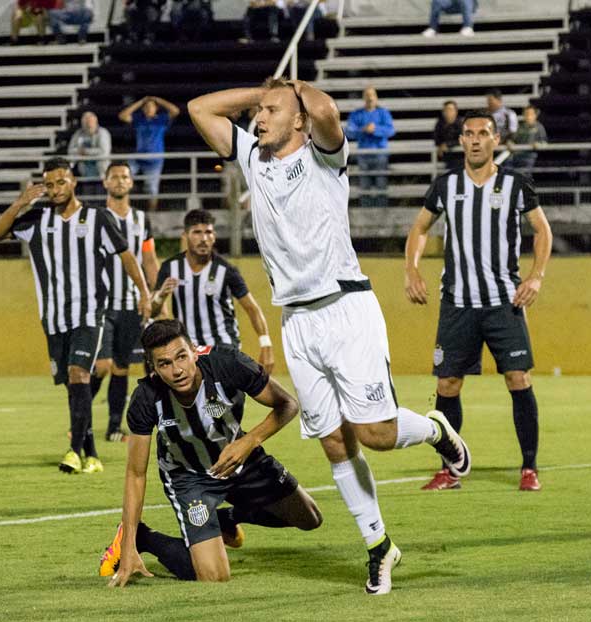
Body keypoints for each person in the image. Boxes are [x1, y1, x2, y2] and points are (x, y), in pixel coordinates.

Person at [188, 78, 472, 595]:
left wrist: (292, 90)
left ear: (298, 120)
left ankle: (434, 430)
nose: (259, 118)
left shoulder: (324, 156)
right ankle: (379, 546)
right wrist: (263, 93)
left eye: (272, 111)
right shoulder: (253, 156)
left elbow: (326, 110)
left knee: (376, 435)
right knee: (334, 442)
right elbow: (200, 107)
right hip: (297, 321)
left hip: (345, 308)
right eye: (258, 112)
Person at [101, 320, 323, 586]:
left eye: (181, 357)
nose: (177, 370)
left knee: (310, 518)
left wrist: (249, 441)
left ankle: (225, 518)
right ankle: (145, 538)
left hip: (240, 457)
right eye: (165, 364)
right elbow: (135, 474)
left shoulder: (228, 364)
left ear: (194, 350)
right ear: (154, 368)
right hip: (189, 477)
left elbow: (287, 404)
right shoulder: (146, 398)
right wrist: (128, 547)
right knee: (214, 576)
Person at [405, 110, 553, 492]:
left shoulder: (517, 185)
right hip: (457, 303)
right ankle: (449, 470)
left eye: (483, 133)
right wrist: (412, 269)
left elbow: (542, 231)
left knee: (518, 378)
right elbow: (420, 229)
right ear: (461, 142)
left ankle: (529, 468)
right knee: (448, 384)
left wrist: (536, 277)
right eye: (468, 134)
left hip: (505, 302)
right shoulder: (446, 185)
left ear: (496, 140)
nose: (475, 140)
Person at [0, 157, 151, 474]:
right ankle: (91, 454)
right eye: (48, 184)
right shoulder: (36, 219)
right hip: (53, 317)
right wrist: (22, 201)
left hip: (89, 314)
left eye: (61, 182)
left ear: (74, 182)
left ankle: (74, 451)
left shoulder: (97, 218)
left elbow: (127, 256)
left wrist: (144, 292)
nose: (54, 189)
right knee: (73, 386)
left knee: (80, 374)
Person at [151, 208, 274, 373]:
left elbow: (252, 309)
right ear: (185, 236)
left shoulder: (226, 270)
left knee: (226, 396)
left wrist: (266, 344)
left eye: (208, 232)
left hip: (223, 346)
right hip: (188, 349)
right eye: (197, 232)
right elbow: (152, 311)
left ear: (214, 236)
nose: (203, 238)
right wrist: (161, 296)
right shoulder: (170, 268)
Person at [89, 162, 159, 442]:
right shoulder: (95, 218)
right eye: (114, 177)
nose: (120, 181)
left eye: (125, 177)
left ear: (131, 183)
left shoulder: (142, 220)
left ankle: (114, 429)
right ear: (105, 183)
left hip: (133, 305)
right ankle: (78, 418)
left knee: (121, 367)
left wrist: (155, 297)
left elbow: (149, 259)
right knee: (103, 365)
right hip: (102, 304)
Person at [119, 95, 179, 210]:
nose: (148, 108)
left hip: (155, 159)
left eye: (151, 106)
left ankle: (152, 214)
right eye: (146, 107)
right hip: (139, 157)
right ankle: (123, 209)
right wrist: (140, 101)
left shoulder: (161, 120)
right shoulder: (138, 119)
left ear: (156, 108)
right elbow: (123, 115)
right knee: (123, 178)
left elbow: (175, 110)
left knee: (152, 189)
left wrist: (158, 100)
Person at [346, 87, 395, 208]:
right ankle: (365, 210)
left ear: (376, 97)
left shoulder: (383, 113)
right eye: (367, 95)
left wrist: (375, 129)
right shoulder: (357, 114)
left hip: (380, 153)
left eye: (372, 95)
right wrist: (363, 130)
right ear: (364, 97)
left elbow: (391, 130)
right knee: (364, 184)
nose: (370, 97)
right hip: (364, 153)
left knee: (381, 183)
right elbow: (348, 131)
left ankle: (382, 211)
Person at [68, 111, 112, 200]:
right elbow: (71, 150)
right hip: (85, 173)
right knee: (87, 199)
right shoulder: (78, 134)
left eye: (90, 121)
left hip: (100, 172)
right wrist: (80, 152)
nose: (88, 124)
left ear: (96, 121)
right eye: (86, 122)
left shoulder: (103, 133)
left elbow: (104, 152)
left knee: (101, 199)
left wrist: (85, 151)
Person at [507, 105, 548, 175]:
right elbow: (512, 140)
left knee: (523, 174)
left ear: (535, 115)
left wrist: (538, 145)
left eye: (531, 114)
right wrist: (510, 143)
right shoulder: (520, 127)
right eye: (526, 114)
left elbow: (545, 143)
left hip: (530, 157)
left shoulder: (539, 127)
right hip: (517, 156)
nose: (528, 116)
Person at [434, 100, 463, 170]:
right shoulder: (440, 123)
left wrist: (447, 144)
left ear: (456, 112)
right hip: (445, 156)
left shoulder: (461, 124)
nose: (448, 112)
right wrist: (441, 145)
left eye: (450, 110)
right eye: (445, 110)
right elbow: (436, 138)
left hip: (460, 156)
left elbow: (462, 139)